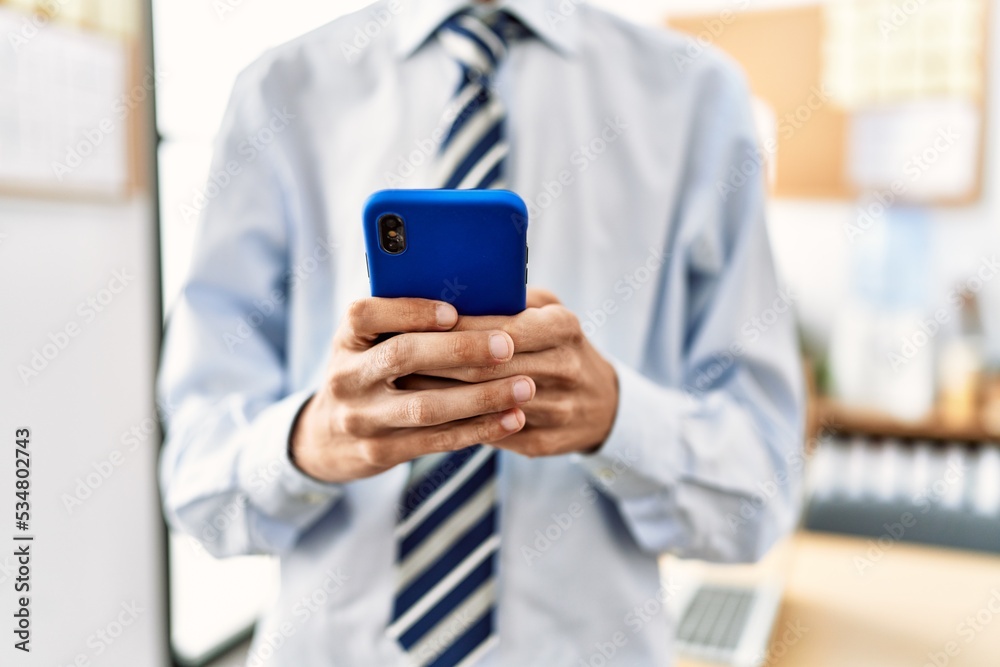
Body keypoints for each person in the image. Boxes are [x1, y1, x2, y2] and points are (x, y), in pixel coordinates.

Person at [158, 0, 804, 665]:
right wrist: (311, 439)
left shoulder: (698, 97)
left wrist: (618, 418)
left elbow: (761, 493)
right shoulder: (279, 91)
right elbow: (196, 481)